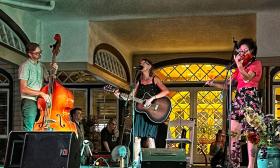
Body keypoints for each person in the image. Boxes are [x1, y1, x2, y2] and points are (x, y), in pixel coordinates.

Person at [206, 38, 262, 168]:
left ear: (252, 51)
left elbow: (247, 78)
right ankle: (234, 164)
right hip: (238, 98)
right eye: (240, 51)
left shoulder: (256, 64)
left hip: (250, 98)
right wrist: (213, 83)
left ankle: (251, 166)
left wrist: (239, 64)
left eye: (245, 51)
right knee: (233, 133)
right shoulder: (239, 67)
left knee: (251, 134)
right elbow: (228, 85)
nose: (242, 53)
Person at [114, 58, 170, 165]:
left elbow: (166, 91)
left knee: (150, 139)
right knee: (136, 138)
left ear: (149, 66)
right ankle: (135, 162)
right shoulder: (138, 80)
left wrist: (152, 98)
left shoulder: (155, 79)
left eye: (143, 63)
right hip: (140, 113)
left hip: (152, 113)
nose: (141, 64)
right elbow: (131, 97)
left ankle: (153, 163)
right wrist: (119, 96)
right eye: (141, 63)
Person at [19, 42, 58, 131]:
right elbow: (23, 89)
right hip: (29, 100)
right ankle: (29, 144)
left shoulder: (41, 66)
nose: (39, 55)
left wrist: (54, 71)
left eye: (40, 52)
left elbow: (49, 80)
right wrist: (41, 93)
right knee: (30, 127)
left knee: (40, 127)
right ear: (29, 54)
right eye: (37, 53)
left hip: (40, 100)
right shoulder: (25, 66)